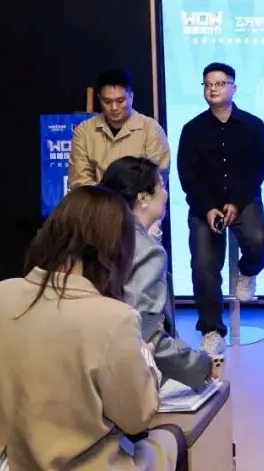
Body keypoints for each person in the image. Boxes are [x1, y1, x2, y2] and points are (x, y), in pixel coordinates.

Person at [0, 186, 185, 471]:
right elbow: (136, 418)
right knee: (171, 438)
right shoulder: (114, 319)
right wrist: (146, 360)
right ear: (116, 247)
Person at [178, 63, 264, 355]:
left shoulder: (253, 125)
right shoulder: (192, 129)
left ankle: (247, 272)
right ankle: (211, 331)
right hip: (204, 205)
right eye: (208, 84)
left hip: (243, 199)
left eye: (220, 83)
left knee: (259, 240)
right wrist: (208, 207)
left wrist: (236, 202)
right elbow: (188, 174)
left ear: (234, 87)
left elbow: (259, 168)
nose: (213, 89)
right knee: (203, 267)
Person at [102, 156, 214, 390]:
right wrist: (199, 367)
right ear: (143, 198)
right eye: (161, 185)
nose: (165, 193)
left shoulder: (102, 234)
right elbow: (144, 332)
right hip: (123, 377)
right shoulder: (147, 251)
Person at [68, 69, 171, 189]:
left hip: (138, 200)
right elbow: (79, 180)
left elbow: (156, 179)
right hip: (97, 200)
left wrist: (125, 197)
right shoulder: (84, 131)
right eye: (107, 101)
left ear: (131, 97)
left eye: (120, 101)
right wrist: (105, 199)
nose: (114, 107)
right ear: (99, 99)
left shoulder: (151, 130)